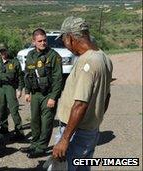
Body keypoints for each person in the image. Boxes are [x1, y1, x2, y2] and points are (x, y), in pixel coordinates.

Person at [52, 16, 113, 171]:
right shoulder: (104, 57)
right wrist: (96, 120)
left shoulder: (88, 62)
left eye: (64, 40)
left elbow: (80, 104)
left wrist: (65, 139)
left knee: (65, 167)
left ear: (70, 38)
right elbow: (106, 96)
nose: (65, 45)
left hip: (76, 131)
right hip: (90, 129)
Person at [20, 28, 63, 158]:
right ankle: (34, 144)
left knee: (46, 122)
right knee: (34, 121)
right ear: (34, 42)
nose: (43, 43)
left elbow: (58, 78)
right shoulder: (31, 55)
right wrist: (27, 91)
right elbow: (27, 74)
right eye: (40, 41)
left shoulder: (54, 56)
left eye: (44, 40)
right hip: (35, 94)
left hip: (48, 95)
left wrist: (53, 97)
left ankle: (41, 148)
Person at [0, 42, 25, 139]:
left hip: (10, 87)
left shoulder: (14, 62)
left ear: (7, 50)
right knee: (2, 108)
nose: (3, 53)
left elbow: (20, 77)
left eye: (4, 50)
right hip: (0, 88)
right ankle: (4, 128)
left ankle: (19, 131)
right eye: (1, 51)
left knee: (13, 109)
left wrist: (19, 89)